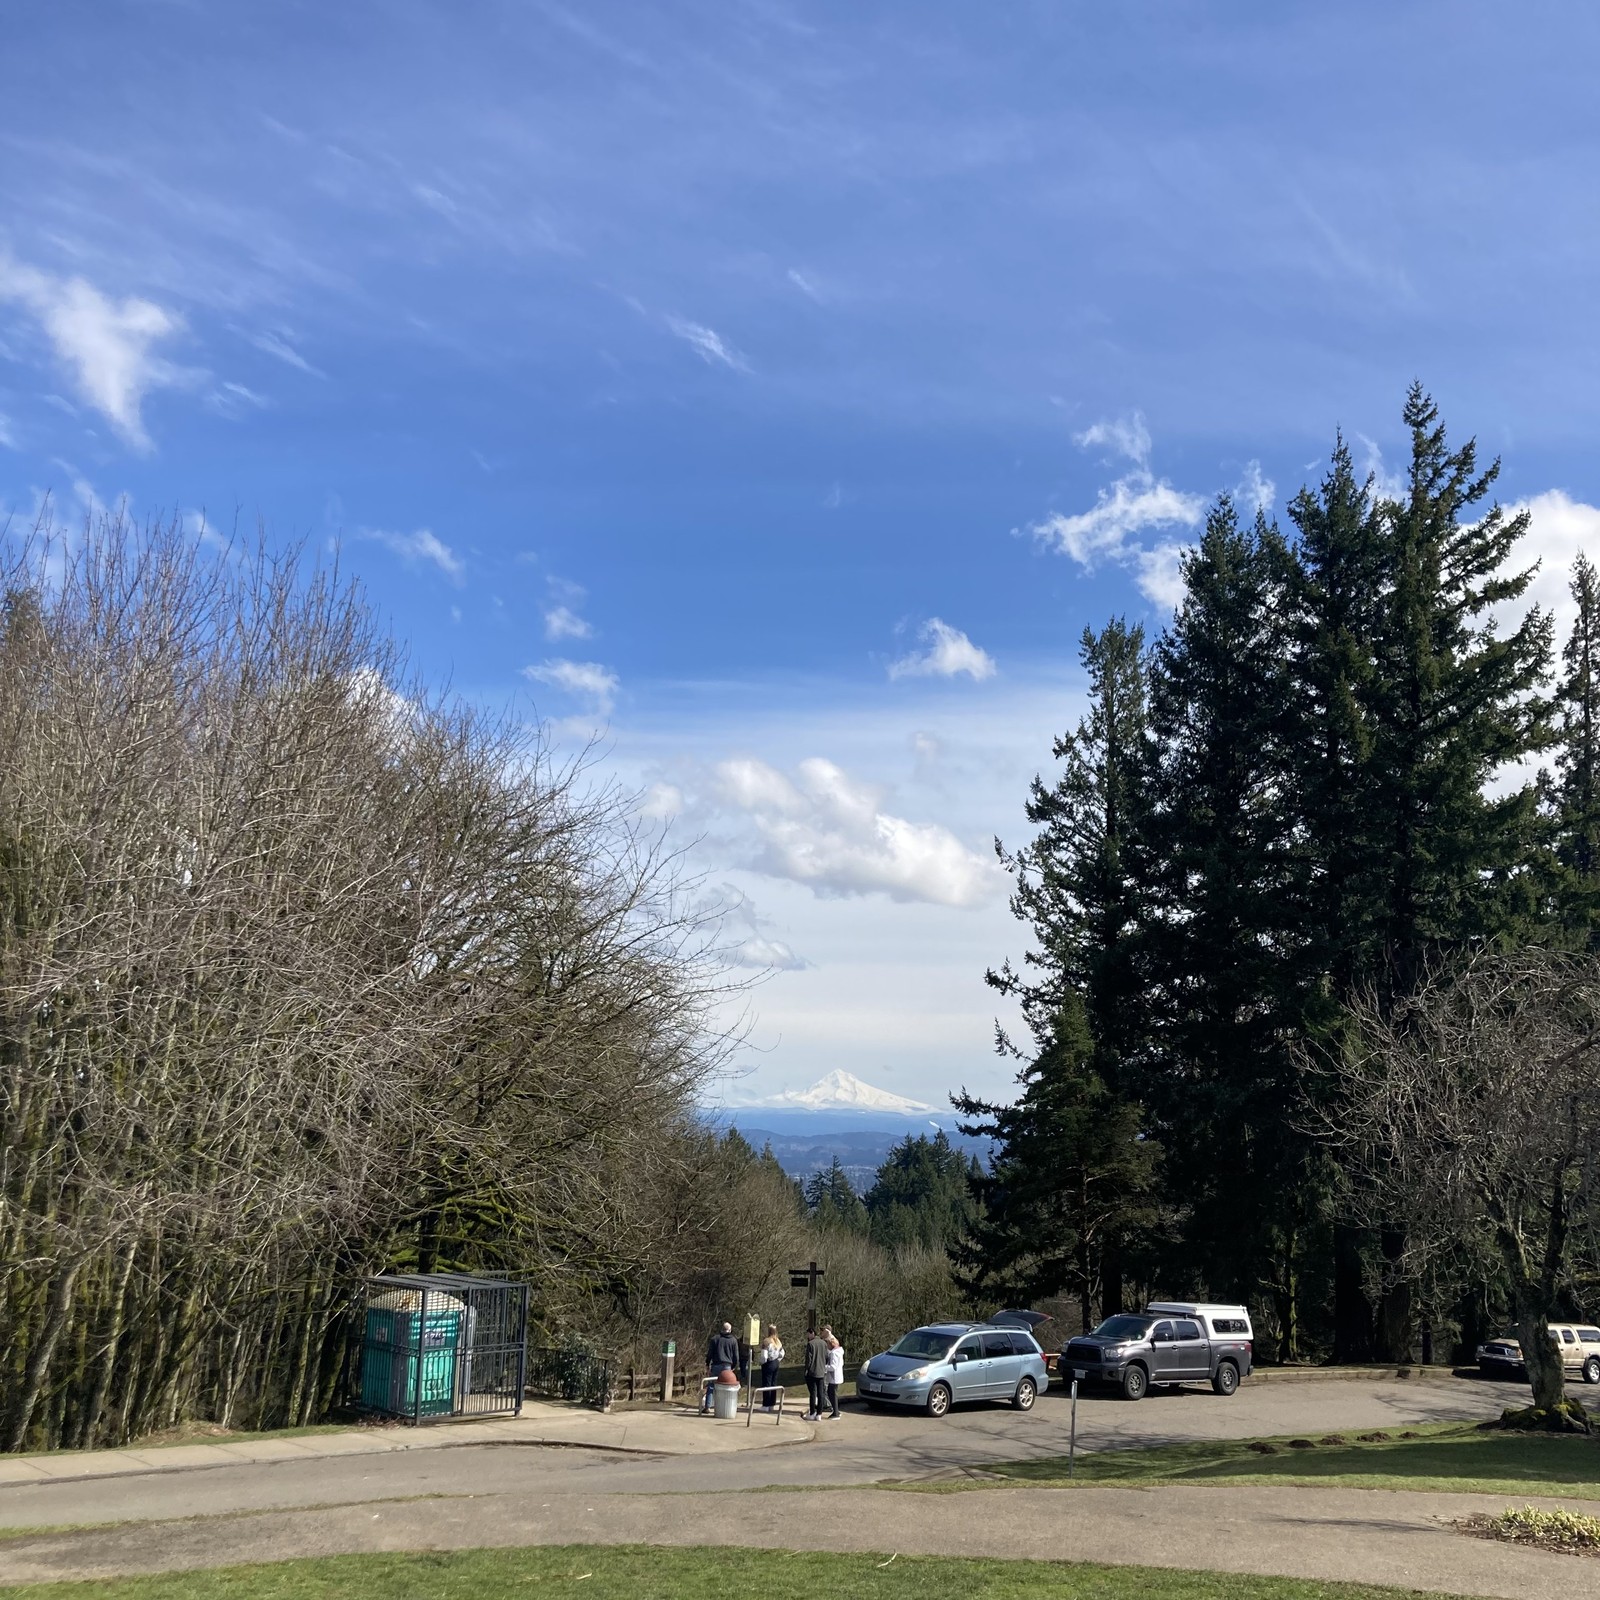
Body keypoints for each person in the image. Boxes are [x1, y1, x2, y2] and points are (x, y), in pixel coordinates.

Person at [703, 1320, 739, 1413]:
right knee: (726, 1387)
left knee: (711, 1386)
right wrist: (733, 1366)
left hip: (716, 1365)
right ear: (730, 1330)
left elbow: (710, 1353)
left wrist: (707, 1363)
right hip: (727, 1366)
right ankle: (723, 1407)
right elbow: (736, 1356)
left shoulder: (715, 1339)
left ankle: (707, 1406)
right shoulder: (733, 1340)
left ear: (722, 1329)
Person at [804, 1325, 830, 1420]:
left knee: (813, 1393)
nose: (807, 1336)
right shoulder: (824, 1343)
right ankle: (819, 1413)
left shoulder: (810, 1344)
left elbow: (808, 1360)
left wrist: (807, 1370)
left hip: (812, 1372)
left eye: (808, 1334)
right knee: (821, 1393)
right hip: (821, 1371)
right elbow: (827, 1357)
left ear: (812, 1333)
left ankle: (812, 1413)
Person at [760, 1324, 785, 1412]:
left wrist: (763, 1362)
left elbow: (764, 1355)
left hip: (769, 1363)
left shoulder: (766, 1341)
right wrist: (778, 1360)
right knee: (773, 1383)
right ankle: (772, 1404)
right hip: (776, 1363)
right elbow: (782, 1353)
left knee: (767, 1383)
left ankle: (766, 1405)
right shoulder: (778, 1341)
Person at [825, 1330, 844, 1420]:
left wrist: (824, 1367)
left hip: (834, 1377)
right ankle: (836, 1411)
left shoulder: (834, 1354)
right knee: (832, 1393)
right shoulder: (839, 1351)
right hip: (837, 1376)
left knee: (832, 1393)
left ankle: (835, 1412)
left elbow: (833, 1367)